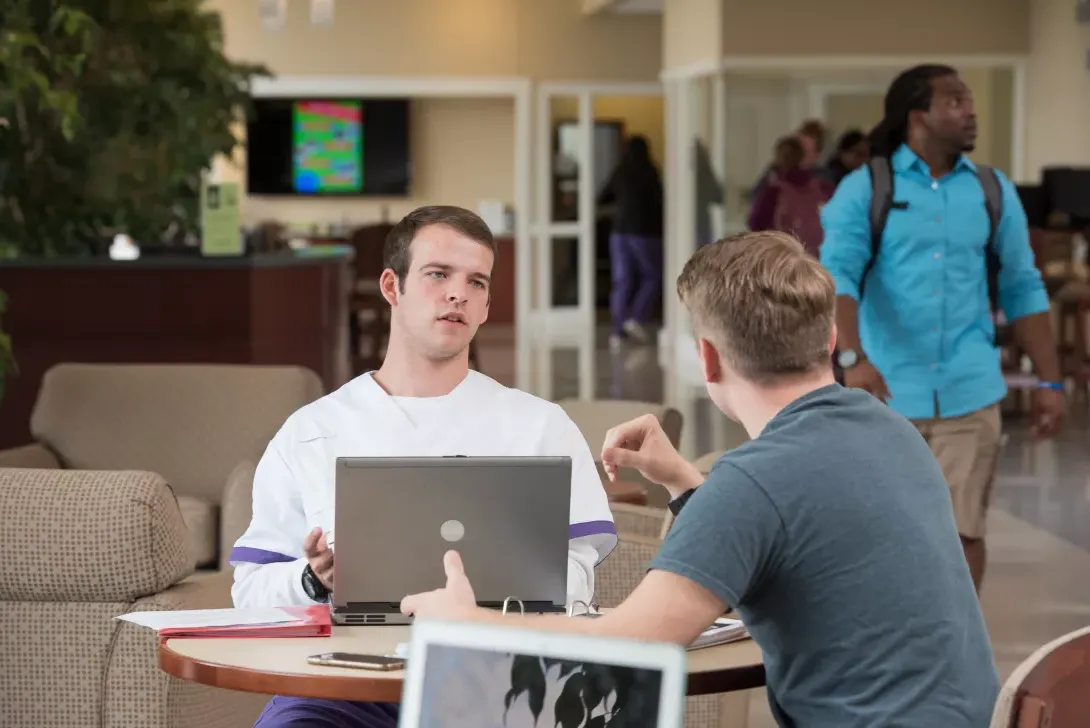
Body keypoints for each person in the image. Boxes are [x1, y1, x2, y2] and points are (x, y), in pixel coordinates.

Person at [402, 231, 1000, 728]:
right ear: (832, 340)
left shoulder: (754, 482)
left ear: (708, 359)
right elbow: (792, 531)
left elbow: (626, 649)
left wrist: (466, 622)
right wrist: (686, 482)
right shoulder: (891, 431)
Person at [230, 205, 617, 728]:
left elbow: (577, 580)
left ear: (484, 306)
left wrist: (493, 600)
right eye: (438, 275)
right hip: (345, 686)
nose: (458, 293)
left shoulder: (540, 427)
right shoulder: (310, 431)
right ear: (392, 287)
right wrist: (313, 580)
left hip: (498, 685)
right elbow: (249, 595)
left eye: (476, 282)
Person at [820, 64, 1064, 592]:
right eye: (954, 101)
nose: (970, 111)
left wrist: (1049, 382)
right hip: (884, 396)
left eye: (969, 101)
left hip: (969, 390)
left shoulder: (991, 190)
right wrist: (850, 359)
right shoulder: (866, 189)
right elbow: (837, 278)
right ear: (918, 116)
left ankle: (955, 656)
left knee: (962, 534)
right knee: (881, 535)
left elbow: (1024, 285)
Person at [598, 135, 664, 349]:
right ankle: (636, 317)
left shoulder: (620, 171)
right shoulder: (650, 171)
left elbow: (602, 196)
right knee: (652, 276)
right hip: (645, 233)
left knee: (622, 281)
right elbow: (659, 202)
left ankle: (617, 332)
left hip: (619, 233)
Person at [747, 136, 834, 257]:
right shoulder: (823, 187)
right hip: (818, 258)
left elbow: (755, 224)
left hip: (784, 258)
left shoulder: (773, 190)